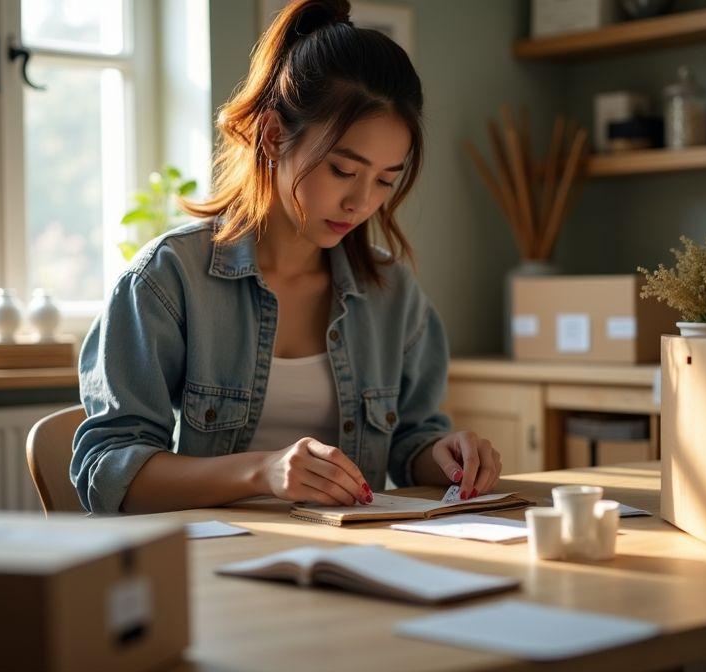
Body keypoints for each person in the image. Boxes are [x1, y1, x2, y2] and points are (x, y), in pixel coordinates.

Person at [71, 0, 502, 515]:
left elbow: (412, 442)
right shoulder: (168, 279)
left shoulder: (391, 291)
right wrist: (263, 471)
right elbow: (108, 472)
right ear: (274, 136)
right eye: (343, 171)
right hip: (215, 555)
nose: (362, 202)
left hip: (351, 551)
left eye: (385, 180)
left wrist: (448, 455)